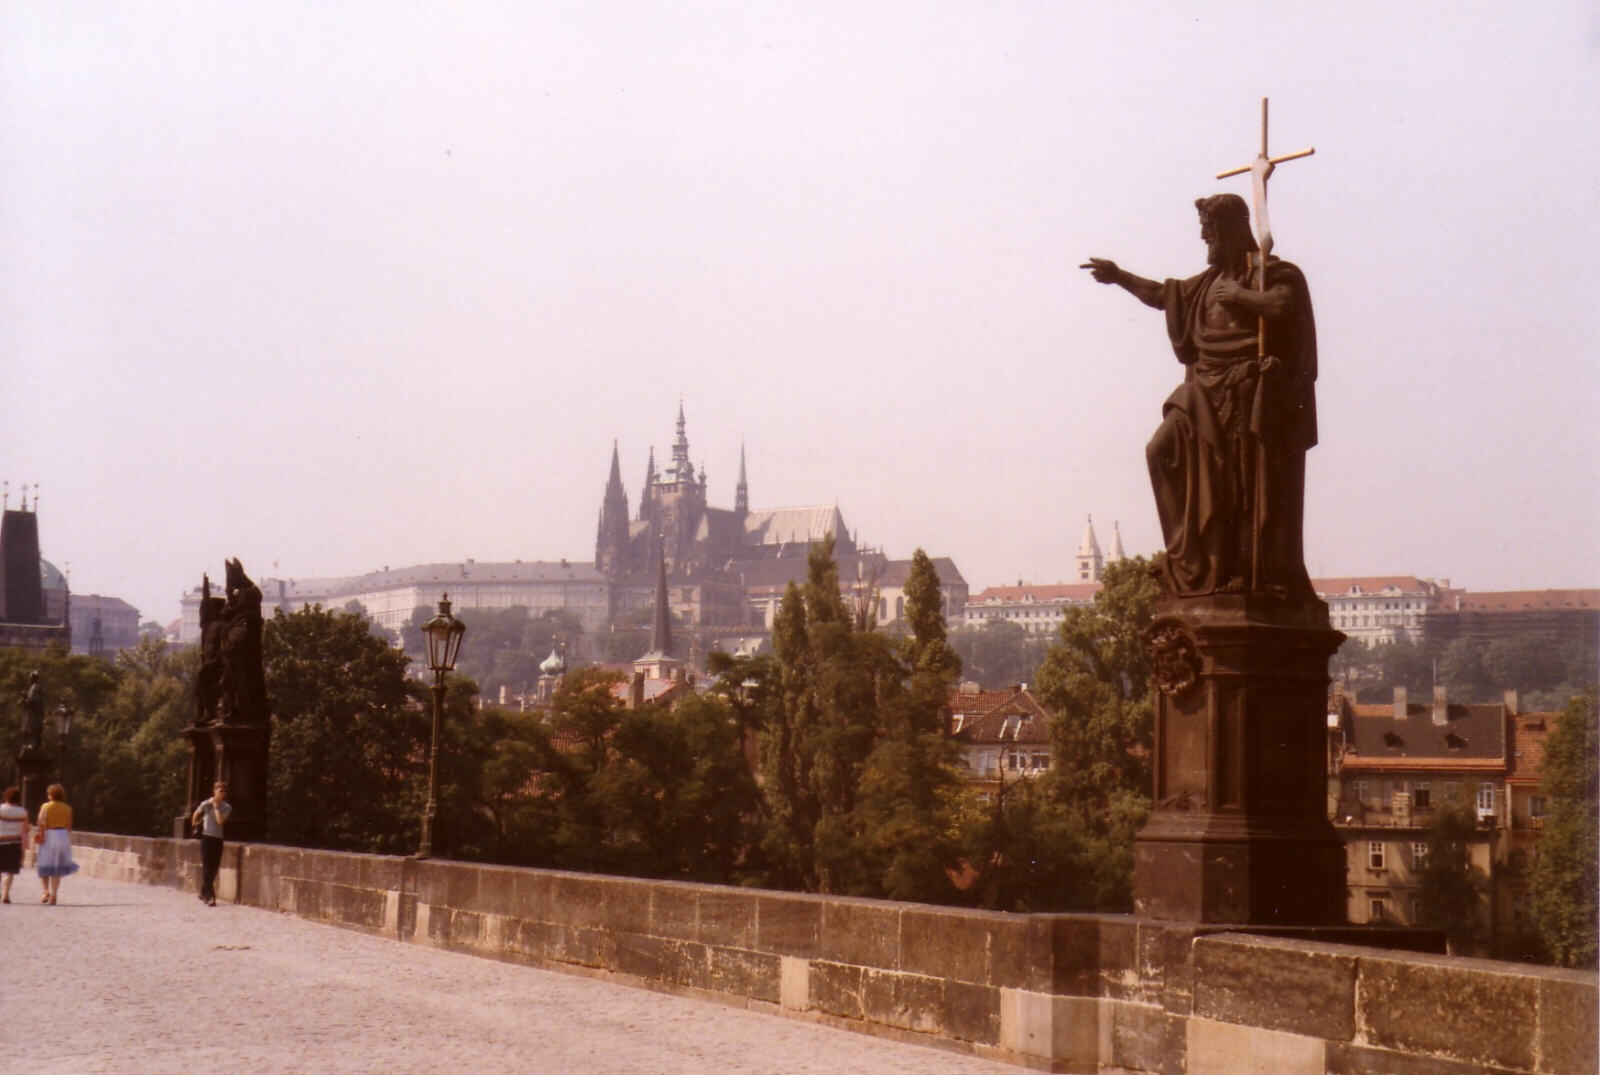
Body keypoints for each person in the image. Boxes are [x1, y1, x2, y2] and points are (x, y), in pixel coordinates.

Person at [1082, 192, 1317, 599]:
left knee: (1242, 485)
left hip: (1246, 390)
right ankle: (1189, 559)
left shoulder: (1270, 272)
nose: (1205, 241)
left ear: (1229, 231)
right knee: (1160, 450)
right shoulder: (1207, 284)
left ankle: (1242, 568)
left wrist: (1242, 298)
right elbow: (1161, 296)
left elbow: (1284, 304)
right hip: (1203, 391)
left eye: (1210, 233)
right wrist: (1119, 276)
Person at [35, 783, 78, 904]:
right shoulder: (67, 808)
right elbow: (69, 826)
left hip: (49, 835)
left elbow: (41, 823)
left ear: (50, 795)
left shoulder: (46, 806)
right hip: (63, 835)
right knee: (57, 867)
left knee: (44, 864)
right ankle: (54, 894)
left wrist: (41, 834)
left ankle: (45, 891)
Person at [191, 781, 231, 906]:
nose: (223, 793)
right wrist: (195, 824)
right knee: (207, 867)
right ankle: (210, 896)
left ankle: (203, 891)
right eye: (220, 791)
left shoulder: (227, 807)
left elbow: (220, 821)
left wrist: (215, 806)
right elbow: (196, 814)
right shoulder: (206, 804)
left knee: (214, 869)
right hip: (207, 838)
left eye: (224, 791)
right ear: (214, 791)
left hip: (218, 839)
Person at [0, 786, 27, 903]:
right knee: (10, 870)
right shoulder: (23, 812)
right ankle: (5, 894)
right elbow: (25, 829)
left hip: (1, 840)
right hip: (15, 843)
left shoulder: (0, 809)